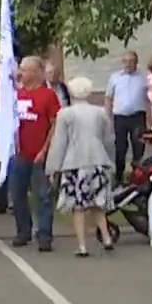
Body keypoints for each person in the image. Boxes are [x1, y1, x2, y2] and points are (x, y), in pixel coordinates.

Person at [46, 76, 117, 256]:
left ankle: (83, 245)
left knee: (78, 206)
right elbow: (108, 139)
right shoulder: (100, 112)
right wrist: (111, 160)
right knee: (97, 203)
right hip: (98, 160)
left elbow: (60, 142)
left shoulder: (65, 114)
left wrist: (52, 167)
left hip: (74, 163)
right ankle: (107, 237)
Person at [6, 56, 61, 252]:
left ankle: (44, 235)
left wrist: (45, 149)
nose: (22, 73)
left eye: (26, 69)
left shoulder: (48, 95)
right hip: (19, 154)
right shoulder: (16, 94)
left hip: (40, 155)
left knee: (42, 196)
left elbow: (55, 123)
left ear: (37, 72)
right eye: (21, 69)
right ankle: (23, 231)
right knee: (17, 193)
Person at [107, 52, 149, 179]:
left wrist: (151, 118)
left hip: (137, 116)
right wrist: (108, 115)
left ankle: (137, 175)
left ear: (136, 62)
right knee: (120, 146)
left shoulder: (144, 78)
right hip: (120, 117)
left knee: (138, 145)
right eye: (125, 61)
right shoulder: (115, 77)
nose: (128, 64)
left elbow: (150, 99)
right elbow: (108, 97)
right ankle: (119, 175)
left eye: (131, 61)